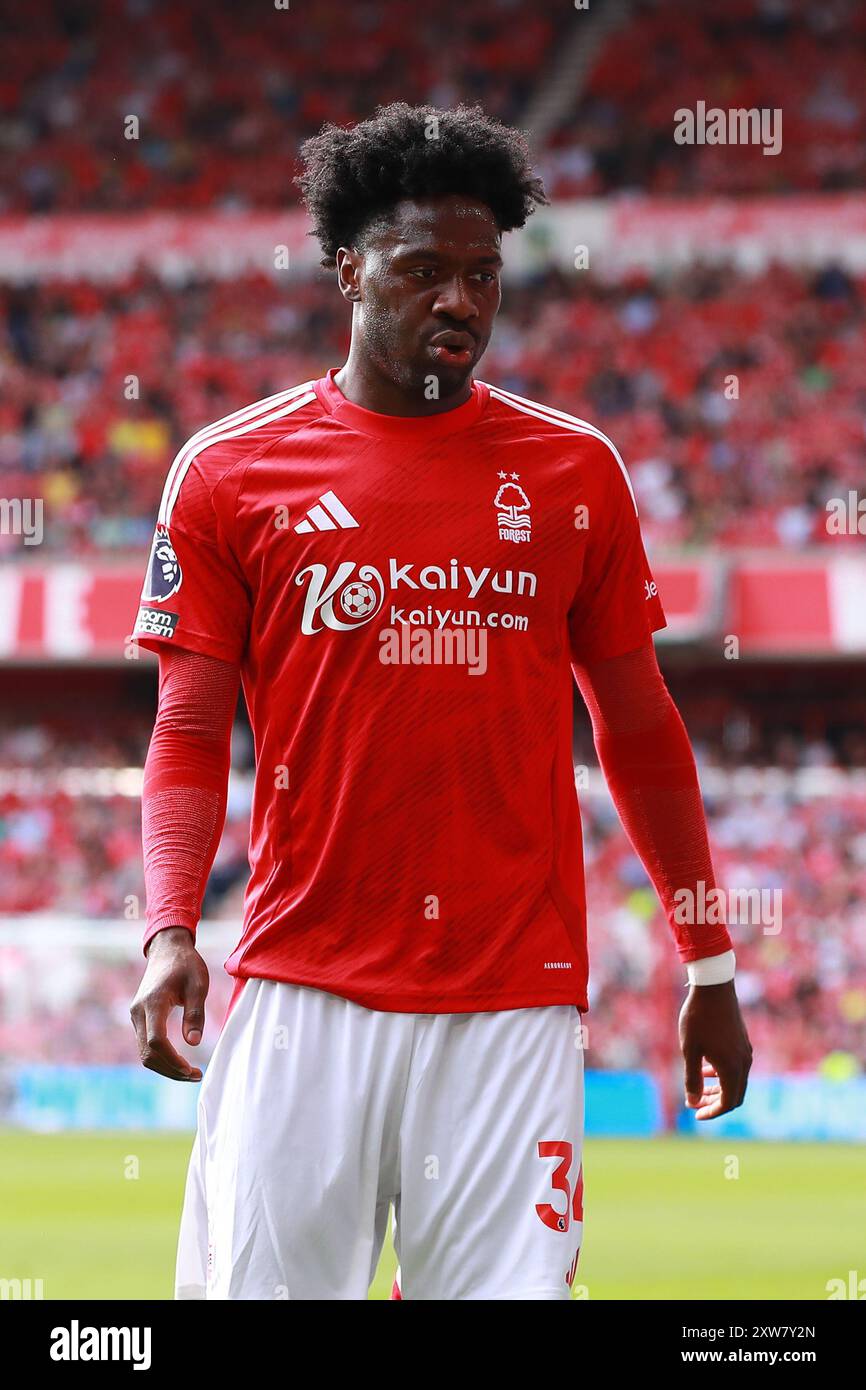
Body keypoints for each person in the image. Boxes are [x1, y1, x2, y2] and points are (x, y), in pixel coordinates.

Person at [128, 101, 752, 1301]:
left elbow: (640, 732)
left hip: (511, 1010)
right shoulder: (226, 470)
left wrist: (709, 966)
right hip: (302, 995)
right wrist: (166, 930)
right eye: (422, 272)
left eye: (481, 273)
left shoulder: (576, 471)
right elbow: (190, 731)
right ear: (348, 270)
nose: (458, 302)